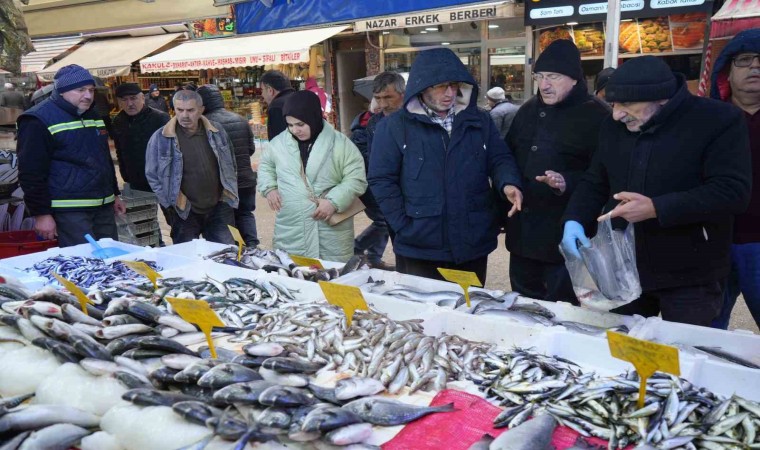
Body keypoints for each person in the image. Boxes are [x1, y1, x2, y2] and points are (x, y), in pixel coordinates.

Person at [561, 56, 751, 326]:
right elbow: (595, 180)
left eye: (626, 104)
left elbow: (732, 191)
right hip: (625, 268)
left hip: (692, 273)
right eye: (613, 104)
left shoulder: (718, 120)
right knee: (625, 349)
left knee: (684, 354)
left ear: (661, 99)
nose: (616, 114)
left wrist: (657, 208)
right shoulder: (613, 127)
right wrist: (574, 219)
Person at [369, 48, 523, 284]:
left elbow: (499, 157)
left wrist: (508, 183)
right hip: (419, 244)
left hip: (471, 241)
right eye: (441, 86)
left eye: (454, 85)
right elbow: (381, 179)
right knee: (421, 314)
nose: (450, 93)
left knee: (466, 310)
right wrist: (403, 224)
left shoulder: (479, 120)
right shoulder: (393, 127)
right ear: (423, 86)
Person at [505, 39, 610, 304]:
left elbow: (604, 175)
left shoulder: (598, 115)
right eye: (539, 76)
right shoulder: (527, 109)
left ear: (574, 79)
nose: (544, 85)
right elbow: (508, 156)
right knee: (522, 309)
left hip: (567, 241)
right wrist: (508, 183)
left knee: (564, 313)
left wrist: (566, 182)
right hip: (522, 238)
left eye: (553, 77)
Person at [17, 64, 126, 247]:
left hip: (103, 206)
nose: (88, 95)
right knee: (82, 263)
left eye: (91, 90)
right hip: (70, 210)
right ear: (62, 91)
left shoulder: (93, 114)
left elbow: (104, 158)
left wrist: (114, 194)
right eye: (80, 90)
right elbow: (30, 172)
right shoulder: (37, 120)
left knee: (110, 261)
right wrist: (42, 214)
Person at [257, 90, 367, 262]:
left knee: (332, 279)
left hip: (330, 228)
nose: (295, 130)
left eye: (300, 124)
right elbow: (266, 166)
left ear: (314, 117)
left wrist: (333, 201)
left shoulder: (341, 143)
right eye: (290, 125)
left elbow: (356, 179)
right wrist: (269, 188)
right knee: (295, 277)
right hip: (292, 224)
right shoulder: (278, 144)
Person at [709, 28, 760, 329]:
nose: (755, 66)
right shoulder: (707, 121)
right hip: (714, 242)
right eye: (744, 59)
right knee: (707, 336)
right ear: (727, 71)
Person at [146, 89, 238, 244]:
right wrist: (170, 202)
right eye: (179, 110)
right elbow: (152, 175)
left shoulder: (217, 131)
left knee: (225, 255)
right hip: (184, 211)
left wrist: (227, 195)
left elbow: (231, 162)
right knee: (187, 259)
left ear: (201, 109)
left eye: (190, 110)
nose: (184, 115)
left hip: (219, 207)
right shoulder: (161, 138)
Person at [353, 72, 406, 270]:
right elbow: (374, 159)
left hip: (413, 190)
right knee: (390, 228)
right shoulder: (374, 123)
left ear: (403, 94)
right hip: (386, 189)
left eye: (388, 97)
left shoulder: (414, 118)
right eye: (378, 98)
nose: (383, 104)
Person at [198, 84, 259, 247]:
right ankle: (252, 245)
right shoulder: (240, 119)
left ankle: (236, 251)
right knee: (245, 213)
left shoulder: (205, 124)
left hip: (224, 183)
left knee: (226, 218)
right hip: (246, 179)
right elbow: (250, 149)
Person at [112, 83, 170, 192]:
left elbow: (171, 151)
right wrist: (125, 175)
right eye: (124, 100)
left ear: (143, 98)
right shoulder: (118, 121)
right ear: (119, 102)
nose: (130, 104)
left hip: (160, 180)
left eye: (133, 98)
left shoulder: (160, 118)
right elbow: (119, 150)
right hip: (134, 180)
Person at [260, 70, 295, 140]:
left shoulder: (276, 107)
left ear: (270, 90)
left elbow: (276, 141)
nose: (262, 94)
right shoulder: (299, 97)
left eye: (262, 90)